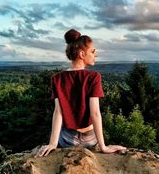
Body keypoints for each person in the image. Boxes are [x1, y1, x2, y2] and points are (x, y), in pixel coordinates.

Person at [36, 29, 126, 157]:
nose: (96, 54)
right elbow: (95, 113)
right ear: (82, 54)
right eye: (93, 51)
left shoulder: (57, 78)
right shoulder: (93, 77)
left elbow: (58, 112)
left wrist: (53, 143)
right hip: (89, 139)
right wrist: (103, 147)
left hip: (66, 139)